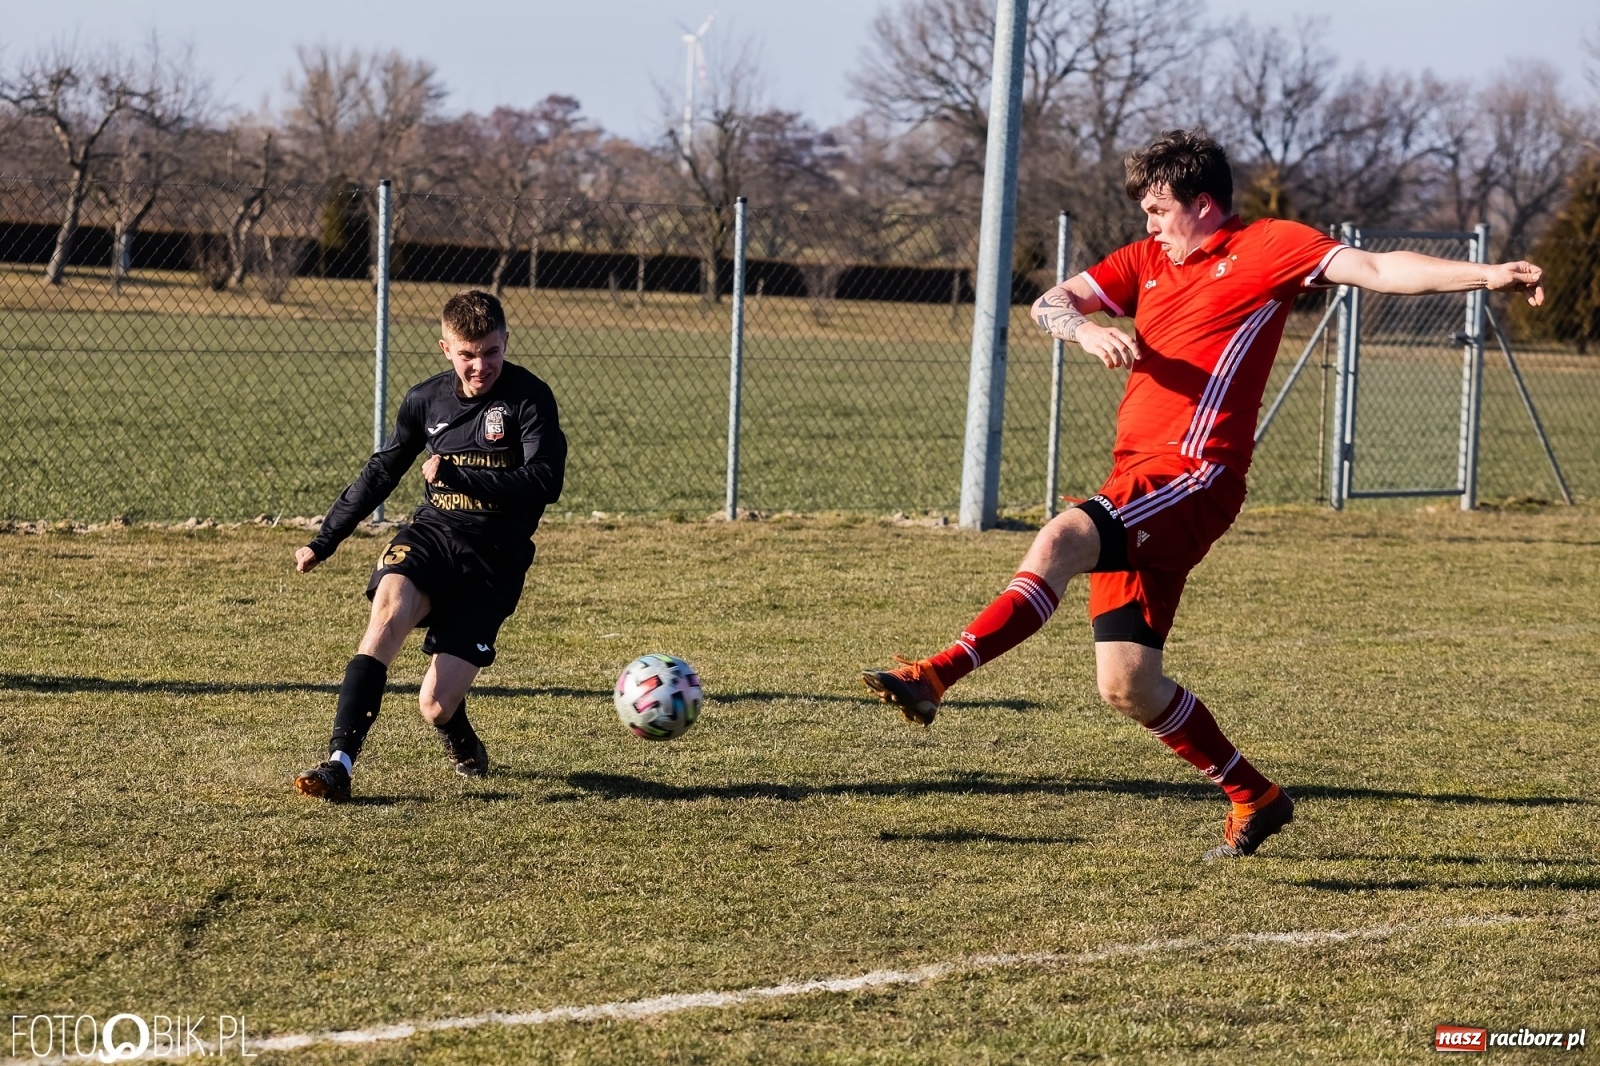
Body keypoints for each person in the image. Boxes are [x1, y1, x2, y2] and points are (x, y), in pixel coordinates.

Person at [863, 128, 1544, 859]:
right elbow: (1048, 303)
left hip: (1195, 476)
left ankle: (936, 673)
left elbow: (1377, 266)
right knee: (1127, 684)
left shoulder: (1269, 247)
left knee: (1061, 537)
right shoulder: (1147, 260)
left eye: (1159, 209)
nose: (1149, 225)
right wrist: (1086, 331)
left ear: (1205, 204)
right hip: (1137, 479)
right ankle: (1256, 795)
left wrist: (1486, 276)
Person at [293, 289, 566, 802]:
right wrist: (324, 540)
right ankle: (338, 764)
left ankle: (460, 737)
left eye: (490, 352)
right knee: (386, 612)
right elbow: (382, 471)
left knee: (435, 705)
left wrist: (463, 476)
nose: (480, 366)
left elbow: (545, 481)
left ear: (506, 342)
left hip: (494, 560)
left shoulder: (530, 398)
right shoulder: (426, 399)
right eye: (467, 354)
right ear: (445, 349)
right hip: (433, 536)